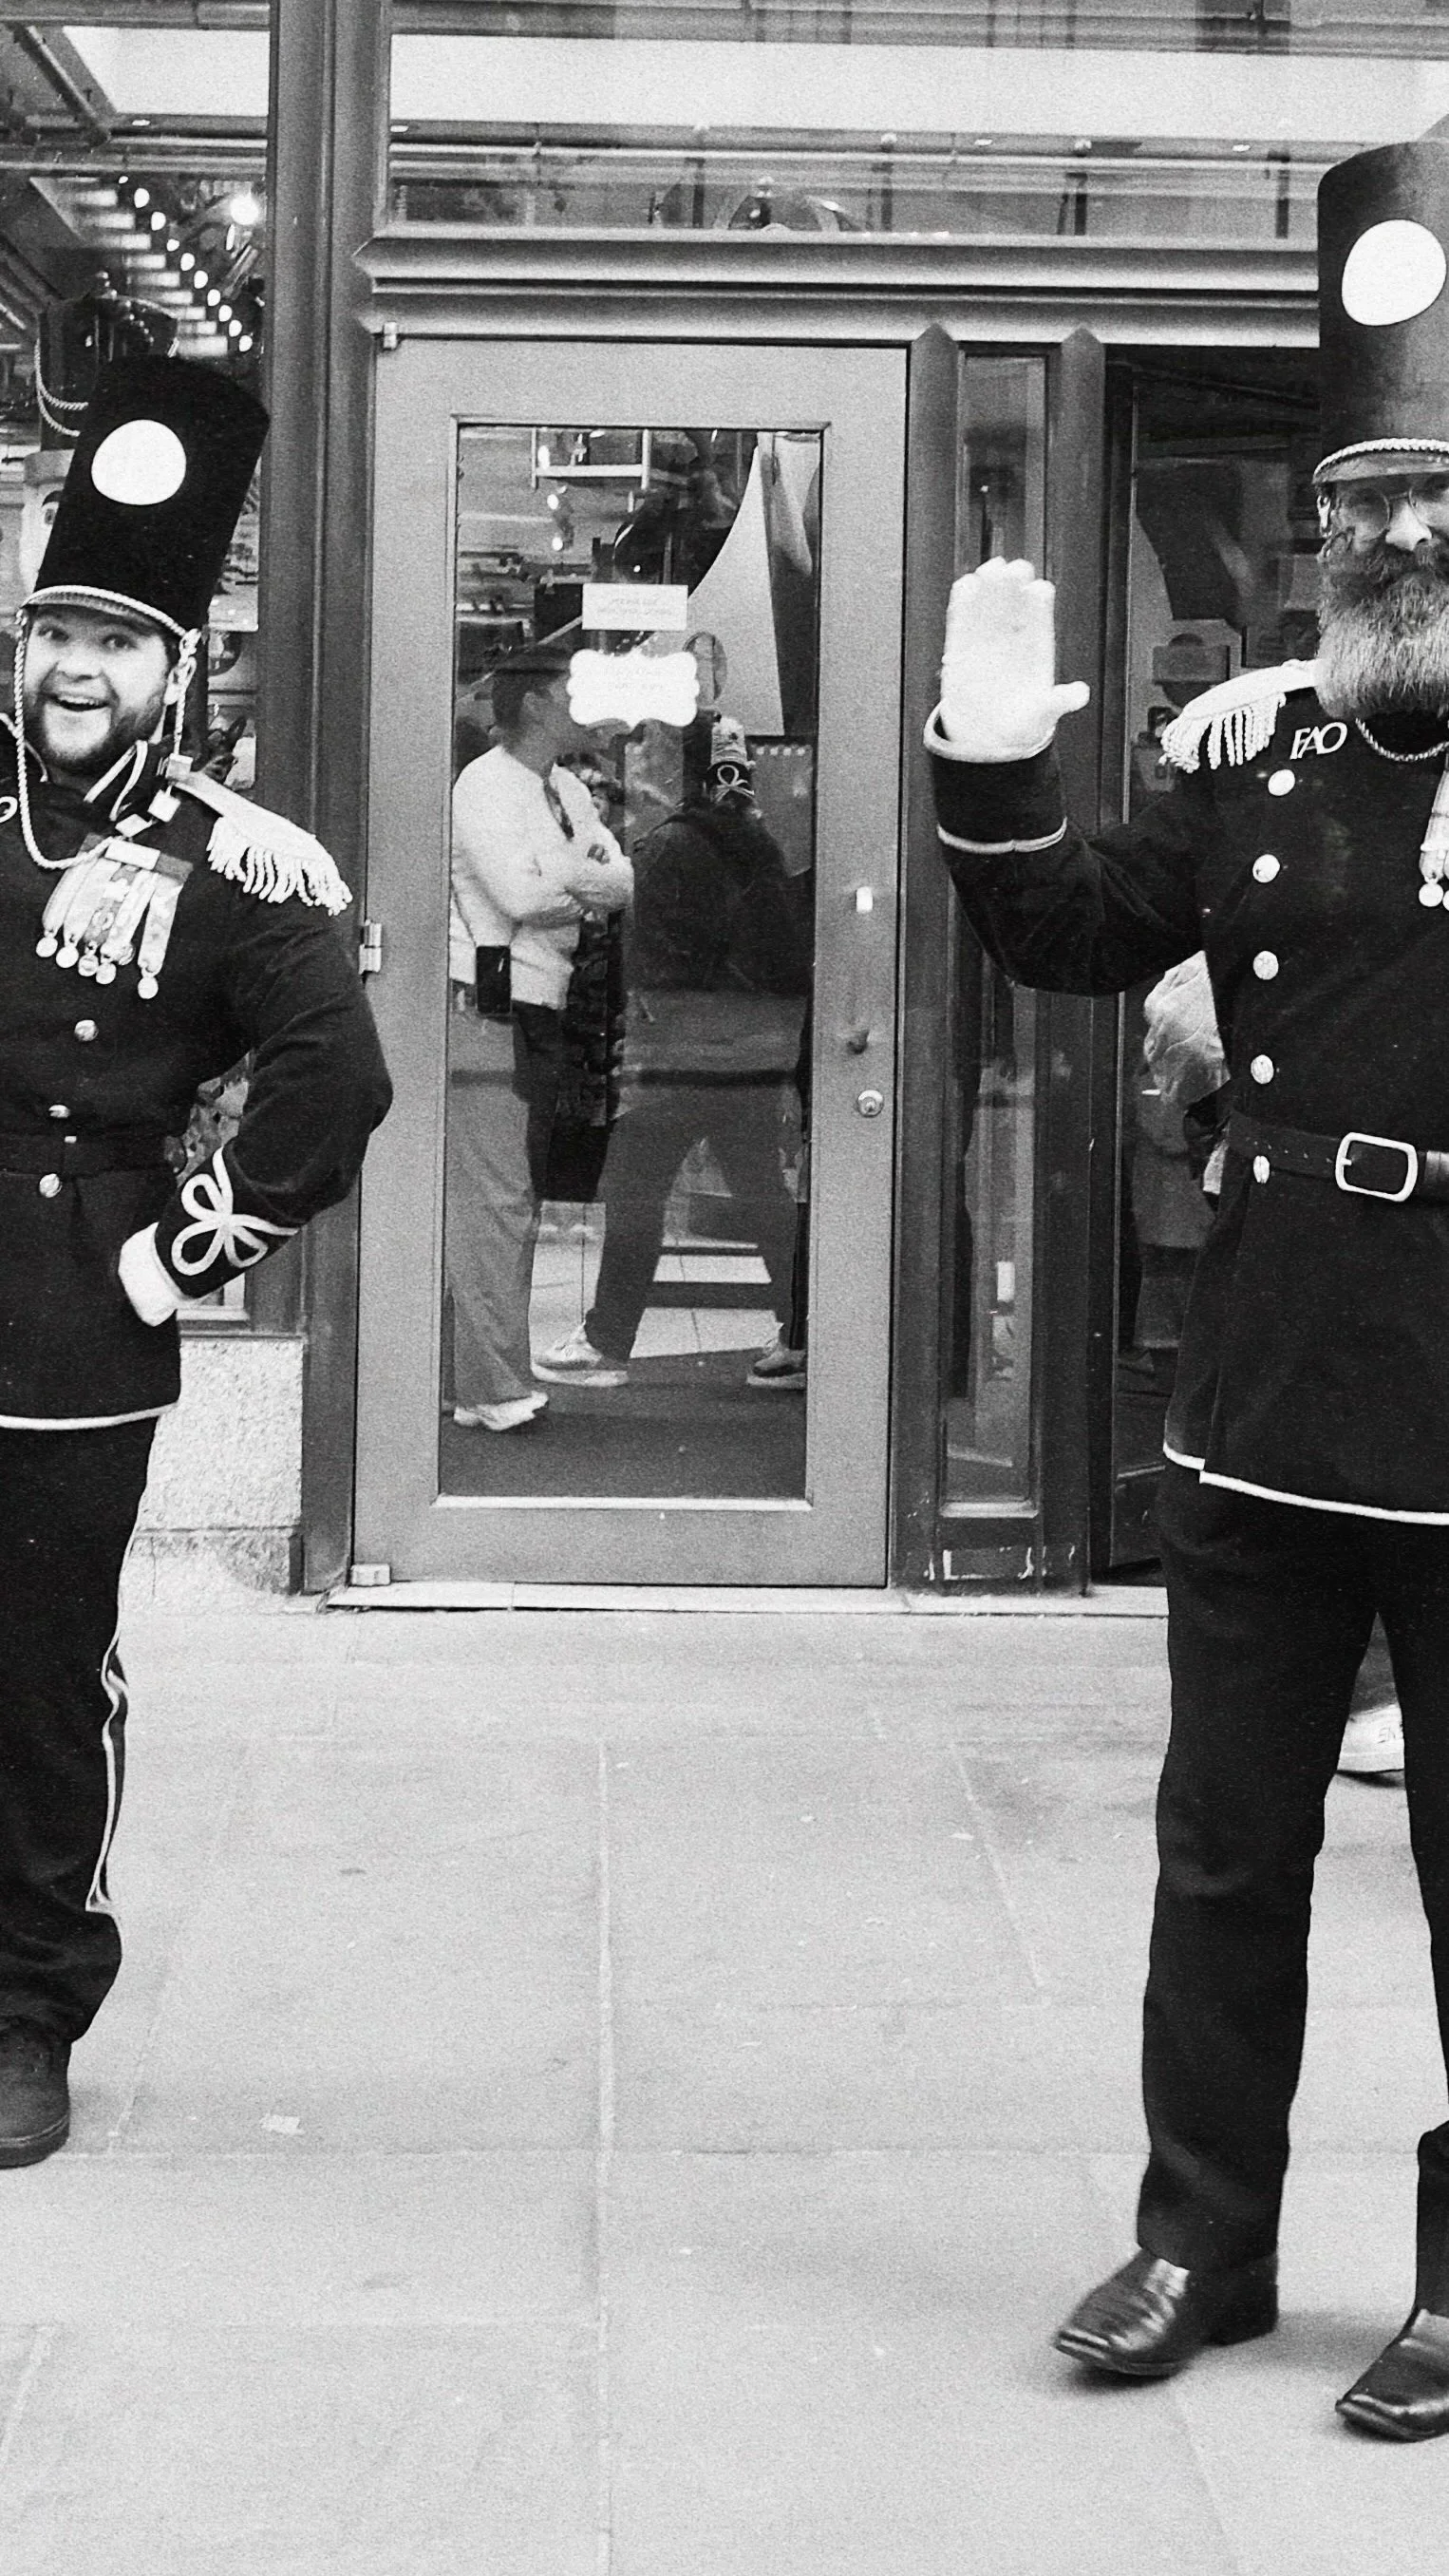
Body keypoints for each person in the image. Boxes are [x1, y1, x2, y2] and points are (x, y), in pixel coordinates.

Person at [928, 137, 1449, 2439]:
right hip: (1258, 1388)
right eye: (1368, 514)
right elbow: (1059, 933)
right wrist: (995, 750)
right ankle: (1199, 2241)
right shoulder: (1255, 761)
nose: (1406, 547)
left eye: (1445, 508)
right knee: (1223, 1849)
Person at [0, 354, 391, 2166]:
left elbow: (339, 1079)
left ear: (176, 667)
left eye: (113, 641)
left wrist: (182, 1254)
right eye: (54, 629)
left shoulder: (238, 862)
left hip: (70, 1312)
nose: (73, 667)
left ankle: (27, 2009)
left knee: (36, 1674)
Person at [1143, 954, 1406, 1781]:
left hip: (1316, 1182)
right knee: (1333, 1440)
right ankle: (1363, 1695)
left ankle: (1362, 1690)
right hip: (1310, 1192)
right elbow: (1184, 1019)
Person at [536, 717, 810, 1392]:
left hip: (684, 1051)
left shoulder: (666, 849)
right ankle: (802, 1332)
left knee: (632, 1188)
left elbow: (646, 965)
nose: (641, 762)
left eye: (654, 752)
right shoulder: (758, 843)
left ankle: (607, 1342)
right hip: (755, 1047)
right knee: (763, 1195)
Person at [445, 638, 632, 1431]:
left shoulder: (562, 787)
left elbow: (619, 882)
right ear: (535, 704)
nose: (586, 703)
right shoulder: (485, 785)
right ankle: (488, 1388)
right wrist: (575, 878)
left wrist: (563, 879)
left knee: (507, 1197)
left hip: (534, 1006)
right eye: (571, 688)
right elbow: (522, 894)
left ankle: (485, 1377)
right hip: (488, 1007)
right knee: (495, 1199)